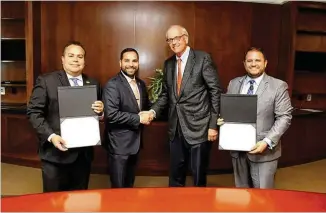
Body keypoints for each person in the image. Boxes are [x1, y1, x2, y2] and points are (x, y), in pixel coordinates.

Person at [143, 25, 222, 187]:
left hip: (199, 127)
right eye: (169, 40)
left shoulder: (202, 58)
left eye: (176, 38)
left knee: (198, 175)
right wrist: (152, 111)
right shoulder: (169, 63)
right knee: (175, 176)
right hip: (176, 129)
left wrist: (213, 125)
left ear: (185, 38)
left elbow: (215, 91)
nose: (173, 42)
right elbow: (166, 94)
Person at [27, 41, 104, 192]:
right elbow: (34, 113)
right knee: (54, 202)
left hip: (83, 156)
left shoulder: (93, 83)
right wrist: (51, 136)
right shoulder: (47, 81)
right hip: (55, 155)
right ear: (63, 59)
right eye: (71, 56)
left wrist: (101, 111)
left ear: (84, 61)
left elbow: (97, 114)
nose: (76, 59)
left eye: (80, 56)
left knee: (80, 201)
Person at [218, 47, 293, 189]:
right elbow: (229, 111)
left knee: (263, 197)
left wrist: (267, 141)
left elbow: (284, 117)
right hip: (237, 151)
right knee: (241, 195)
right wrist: (223, 120)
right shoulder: (234, 83)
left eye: (257, 60)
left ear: (265, 63)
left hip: (264, 152)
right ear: (244, 64)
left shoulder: (278, 86)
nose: (253, 64)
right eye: (249, 61)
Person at [102, 48, 150, 188]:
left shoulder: (141, 84)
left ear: (138, 63)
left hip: (135, 144)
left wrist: (153, 112)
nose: (131, 64)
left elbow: (145, 108)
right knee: (118, 188)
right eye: (127, 60)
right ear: (120, 63)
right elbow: (111, 115)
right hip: (119, 146)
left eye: (134, 61)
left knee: (129, 186)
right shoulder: (113, 85)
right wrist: (138, 119)